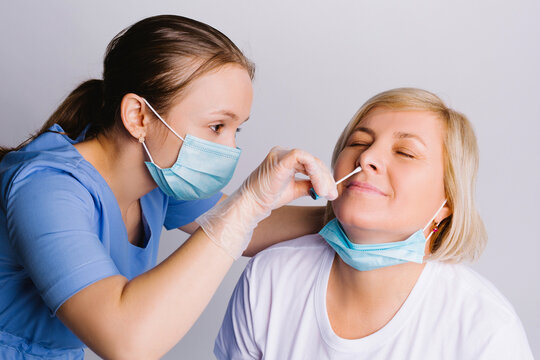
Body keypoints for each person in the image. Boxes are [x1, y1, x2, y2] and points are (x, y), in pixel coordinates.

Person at [0, 15, 338, 359]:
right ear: (139, 117)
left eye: (238, 130)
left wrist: (342, 212)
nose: (231, 148)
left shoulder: (160, 175)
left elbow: (245, 228)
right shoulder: (46, 188)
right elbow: (125, 340)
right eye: (217, 126)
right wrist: (248, 202)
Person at [215, 88, 533, 359]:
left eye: (405, 152)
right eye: (358, 142)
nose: (367, 157)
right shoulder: (270, 278)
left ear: (447, 204)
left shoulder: (486, 328)